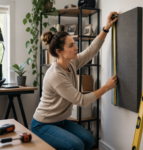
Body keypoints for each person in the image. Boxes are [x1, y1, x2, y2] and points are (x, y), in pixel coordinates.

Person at [30, 11, 119, 150]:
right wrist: (106, 87)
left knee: (89, 140)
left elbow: (91, 51)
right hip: (42, 124)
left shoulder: (71, 63)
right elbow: (81, 100)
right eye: (71, 45)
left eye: (74, 43)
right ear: (60, 51)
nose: (76, 47)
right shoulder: (55, 75)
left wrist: (106, 28)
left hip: (60, 121)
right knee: (76, 146)